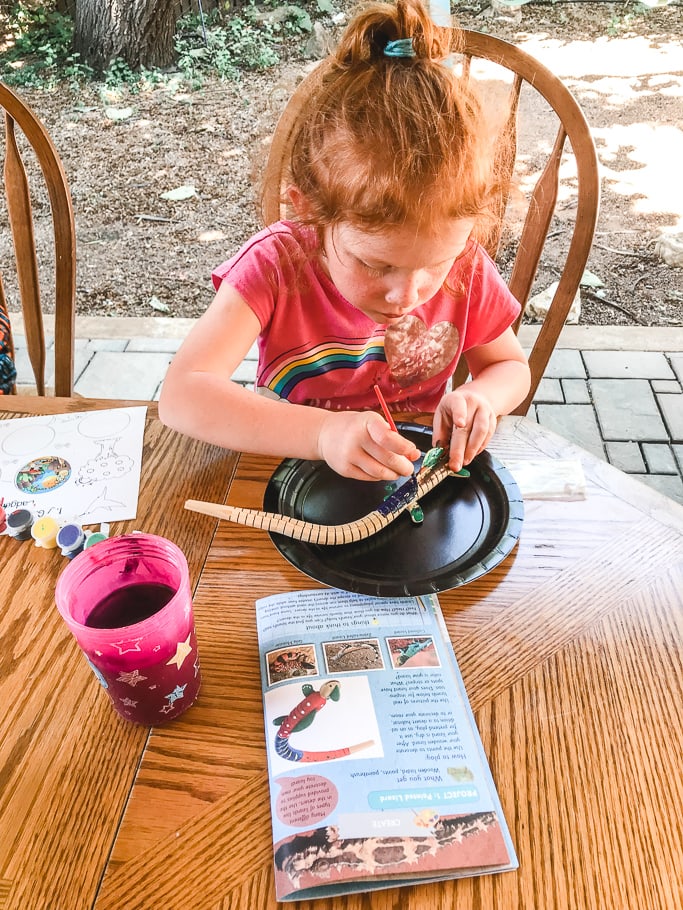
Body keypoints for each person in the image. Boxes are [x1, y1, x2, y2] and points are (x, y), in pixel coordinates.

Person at [159, 0, 530, 481]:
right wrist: (321, 434)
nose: (408, 295)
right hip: (290, 469)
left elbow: (509, 367)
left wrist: (481, 397)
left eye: (436, 263)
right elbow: (183, 395)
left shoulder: (466, 269)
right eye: (376, 265)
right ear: (309, 209)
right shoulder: (276, 266)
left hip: (410, 476)